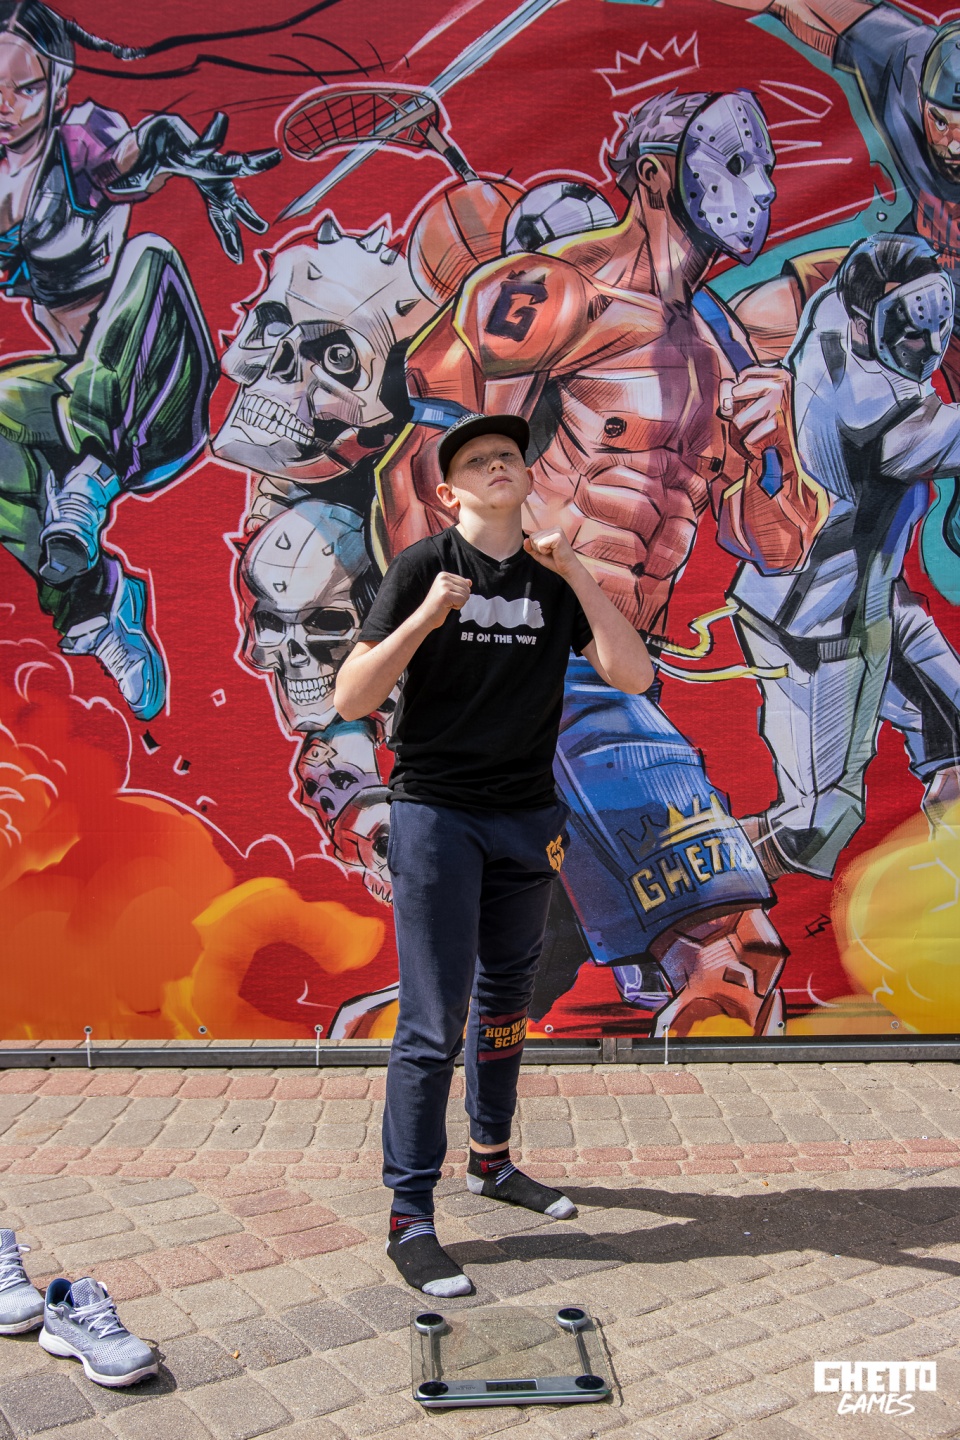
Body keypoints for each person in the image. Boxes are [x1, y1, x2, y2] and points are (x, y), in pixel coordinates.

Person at [373, 90, 827, 1035]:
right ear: (655, 175)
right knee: (724, 943)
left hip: (616, 660)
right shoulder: (555, 292)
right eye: (733, 162)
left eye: (766, 167)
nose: (759, 190)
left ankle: (453, 1046)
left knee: (506, 971)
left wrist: (777, 451)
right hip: (533, 643)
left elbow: (774, 541)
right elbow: (423, 465)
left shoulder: (720, 350)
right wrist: (443, 639)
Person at [334, 411, 653, 1296]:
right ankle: (409, 1214)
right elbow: (352, 695)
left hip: (526, 816)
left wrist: (576, 569)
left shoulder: (555, 580)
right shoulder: (421, 567)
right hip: (438, 813)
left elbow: (632, 675)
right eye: (477, 462)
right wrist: (426, 617)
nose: (496, 466)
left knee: (508, 998)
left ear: (526, 475)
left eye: (508, 456)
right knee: (433, 1019)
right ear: (450, 491)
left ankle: (492, 1159)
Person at [734, 234, 960, 877]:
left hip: (867, 602)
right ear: (866, 324)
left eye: (936, 318)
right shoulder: (878, 414)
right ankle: (694, 888)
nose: (928, 345)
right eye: (908, 330)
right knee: (816, 825)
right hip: (815, 627)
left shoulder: (832, 312)